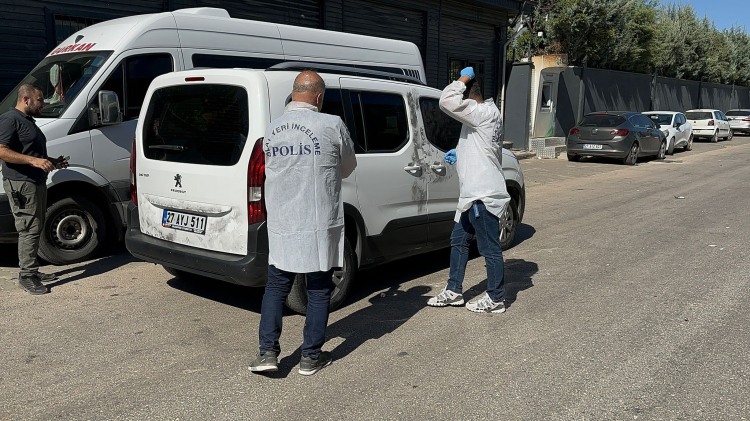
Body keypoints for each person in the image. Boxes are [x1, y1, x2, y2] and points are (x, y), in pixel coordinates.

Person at [249, 71, 357, 376]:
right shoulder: (331, 124)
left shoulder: (271, 129)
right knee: (320, 288)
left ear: (294, 93)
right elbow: (348, 167)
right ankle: (310, 357)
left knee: (276, 287)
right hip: (319, 221)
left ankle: (267, 353)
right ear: (319, 97)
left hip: (283, 221)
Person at [427, 67, 510, 314]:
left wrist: (461, 79)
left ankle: (496, 298)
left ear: (467, 96)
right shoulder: (491, 112)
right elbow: (481, 146)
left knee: (489, 248)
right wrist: (460, 152)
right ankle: (454, 291)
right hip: (473, 193)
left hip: (482, 194)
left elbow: (446, 101)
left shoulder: (481, 112)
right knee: (459, 241)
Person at [0, 84, 68, 295]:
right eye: (40, 100)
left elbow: (31, 152)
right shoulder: (10, 119)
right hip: (21, 183)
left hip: (35, 181)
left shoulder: (27, 121)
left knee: (36, 226)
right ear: (26, 100)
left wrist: (50, 161)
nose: (44, 103)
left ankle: (33, 270)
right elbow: (1, 150)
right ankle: (27, 275)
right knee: (28, 228)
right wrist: (33, 161)